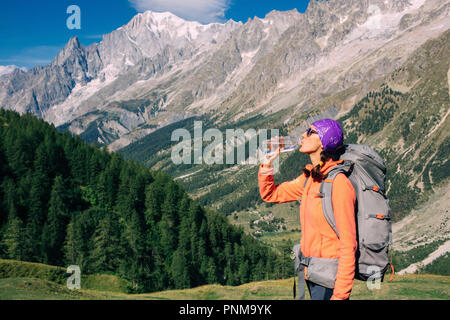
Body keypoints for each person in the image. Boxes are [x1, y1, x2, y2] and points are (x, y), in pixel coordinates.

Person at [258, 119, 357, 300]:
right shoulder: (310, 179)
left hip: (328, 279)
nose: (303, 135)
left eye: (310, 132)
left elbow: (348, 243)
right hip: (311, 272)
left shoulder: (339, 183)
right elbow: (270, 194)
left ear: (324, 142)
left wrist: (340, 295)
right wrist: (267, 164)